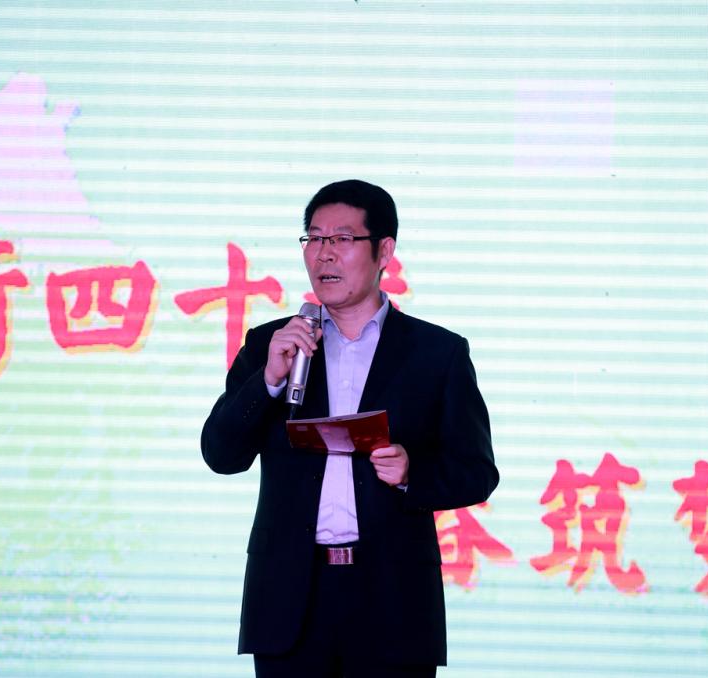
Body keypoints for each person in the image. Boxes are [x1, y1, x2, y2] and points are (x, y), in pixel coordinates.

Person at [201, 179, 499, 677]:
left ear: (385, 251)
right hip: (290, 602)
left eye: (342, 239)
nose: (324, 254)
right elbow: (220, 454)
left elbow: (476, 472)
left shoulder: (436, 353)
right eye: (314, 239)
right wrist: (269, 381)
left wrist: (412, 473)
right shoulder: (271, 345)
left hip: (392, 601)